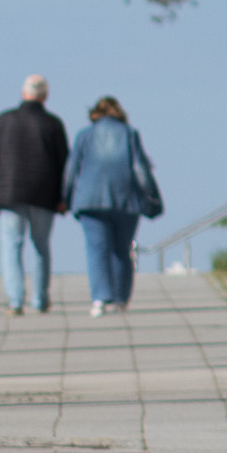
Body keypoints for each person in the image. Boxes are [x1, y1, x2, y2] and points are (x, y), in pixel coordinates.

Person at [63, 95, 162, 317]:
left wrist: (66, 198)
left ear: (95, 113)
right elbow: (141, 170)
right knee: (121, 250)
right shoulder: (129, 134)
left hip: (89, 201)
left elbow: (71, 170)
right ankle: (120, 299)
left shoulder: (84, 135)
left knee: (97, 249)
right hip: (125, 200)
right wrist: (152, 197)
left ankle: (100, 298)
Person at [0, 74, 69, 315]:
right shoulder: (53, 124)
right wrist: (64, 197)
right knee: (41, 246)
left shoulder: (4, 120)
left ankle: (15, 300)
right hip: (45, 194)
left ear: (23, 94)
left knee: (12, 245)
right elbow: (65, 164)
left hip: (9, 194)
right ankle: (40, 299)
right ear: (45, 96)